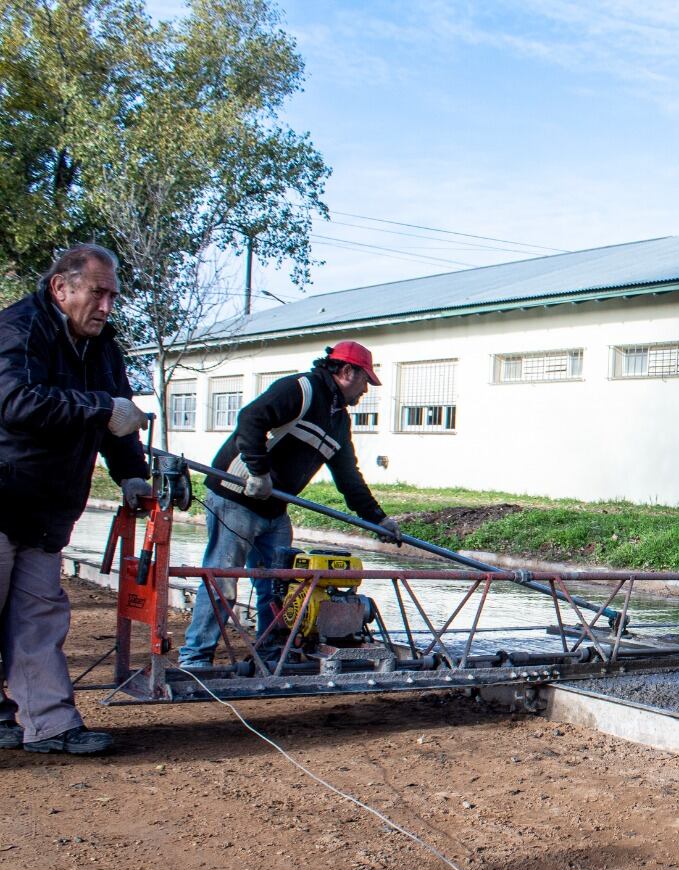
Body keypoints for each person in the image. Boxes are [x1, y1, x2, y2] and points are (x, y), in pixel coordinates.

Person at [0, 244, 151, 755]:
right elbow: (17, 403)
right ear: (62, 288)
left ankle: (49, 725)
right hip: (3, 497)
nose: (107, 306)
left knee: (39, 620)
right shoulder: (19, 329)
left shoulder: (102, 346)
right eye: (98, 293)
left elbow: (117, 421)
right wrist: (102, 407)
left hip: (47, 510)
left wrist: (132, 474)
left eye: (113, 296)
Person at [177, 341, 399, 668]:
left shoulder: (338, 421)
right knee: (222, 580)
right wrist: (259, 471)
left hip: (274, 509)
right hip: (236, 496)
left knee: (279, 587)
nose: (366, 390)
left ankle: (268, 656)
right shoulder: (301, 389)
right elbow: (250, 419)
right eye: (366, 381)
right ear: (347, 371)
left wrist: (378, 519)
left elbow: (348, 477)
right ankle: (195, 659)